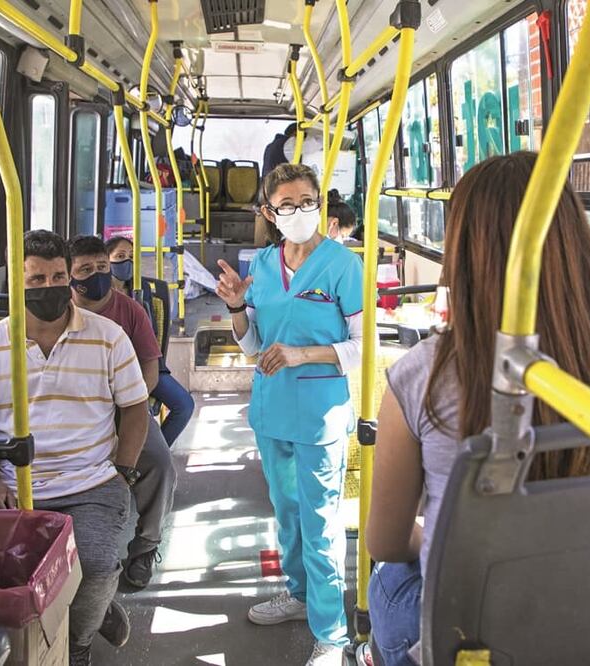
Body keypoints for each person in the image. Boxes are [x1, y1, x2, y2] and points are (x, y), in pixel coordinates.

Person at [359, 153, 590, 666]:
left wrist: (436, 539)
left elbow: (387, 539)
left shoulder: (424, 376)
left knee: (391, 576)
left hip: (472, 633)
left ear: (463, 251)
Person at [0, 230, 149, 666]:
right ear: (16, 284)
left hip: (92, 480)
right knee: (13, 578)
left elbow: (135, 409)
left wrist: (123, 470)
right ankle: (89, 612)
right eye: (36, 280)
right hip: (15, 484)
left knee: (96, 567)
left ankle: (77, 643)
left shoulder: (109, 337)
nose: (49, 288)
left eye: (57, 276)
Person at [216, 163, 363, 666]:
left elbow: (364, 347)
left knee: (320, 522)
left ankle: (333, 634)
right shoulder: (261, 264)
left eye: (307, 202)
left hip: (321, 411)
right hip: (272, 407)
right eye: (287, 205)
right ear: (268, 212)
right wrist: (238, 307)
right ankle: (299, 595)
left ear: (319, 204)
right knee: (286, 513)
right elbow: (253, 344)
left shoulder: (344, 265)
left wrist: (304, 354)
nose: (299, 212)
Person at [69, 235, 178, 589]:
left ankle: (146, 544)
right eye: (86, 269)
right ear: (70, 275)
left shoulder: (129, 310)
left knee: (160, 465)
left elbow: (149, 365)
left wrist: (132, 402)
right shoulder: (59, 313)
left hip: (125, 406)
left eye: (102, 267)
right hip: (77, 410)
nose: (98, 275)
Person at [106, 235, 196, 447]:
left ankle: (157, 450)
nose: (126, 262)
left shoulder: (143, 290)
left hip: (144, 365)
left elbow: (151, 336)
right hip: (111, 368)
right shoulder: (99, 296)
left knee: (184, 405)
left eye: (130, 257)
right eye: (119, 256)